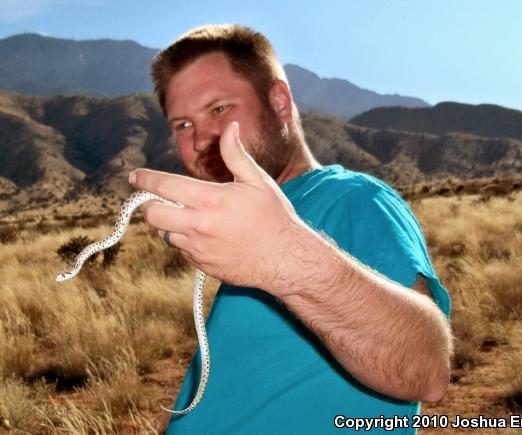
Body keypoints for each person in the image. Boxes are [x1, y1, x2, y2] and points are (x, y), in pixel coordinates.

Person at [129, 24, 452, 434]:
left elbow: (426, 368)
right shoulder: (247, 226)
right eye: (183, 125)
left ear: (278, 101)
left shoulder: (353, 198)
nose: (201, 139)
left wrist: (282, 254)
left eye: (219, 109)